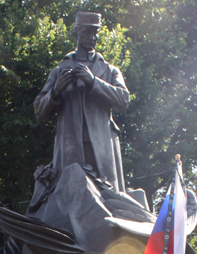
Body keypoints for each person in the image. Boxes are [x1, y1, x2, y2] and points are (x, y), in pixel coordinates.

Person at [33, 11, 129, 196]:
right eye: (86, 32)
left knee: (107, 197)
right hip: (70, 144)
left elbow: (123, 100)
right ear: (76, 33)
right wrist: (56, 91)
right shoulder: (60, 70)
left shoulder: (109, 70)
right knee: (69, 197)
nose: (92, 37)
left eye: (95, 33)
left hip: (101, 143)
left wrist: (93, 81)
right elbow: (39, 111)